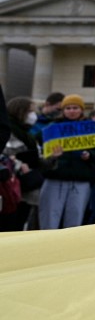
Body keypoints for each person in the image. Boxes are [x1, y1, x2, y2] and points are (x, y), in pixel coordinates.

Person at [37, 95, 95, 229]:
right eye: (68, 108)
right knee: (49, 217)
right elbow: (40, 150)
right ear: (63, 110)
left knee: (75, 218)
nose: (72, 111)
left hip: (80, 179)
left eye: (75, 108)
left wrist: (89, 155)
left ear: (81, 110)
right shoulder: (52, 128)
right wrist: (53, 156)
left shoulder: (91, 129)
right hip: (55, 178)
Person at [2, 96, 44, 231]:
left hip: (26, 185)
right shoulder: (7, 131)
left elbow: (37, 159)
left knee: (20, 224)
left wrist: (51, 158)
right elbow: (6, 153)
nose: (33, 115)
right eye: (30, 111)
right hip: (12, 186)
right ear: (21, 111)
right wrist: (19, 164)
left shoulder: (28, 134)